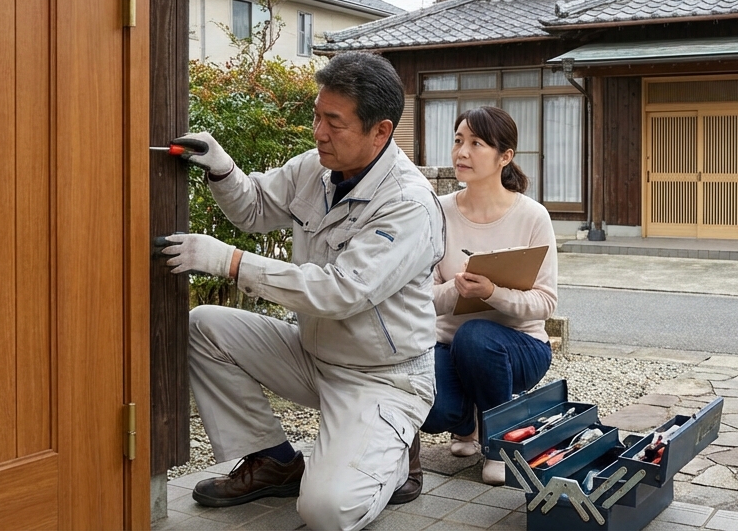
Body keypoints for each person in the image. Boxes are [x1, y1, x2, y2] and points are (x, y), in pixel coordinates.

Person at [159, 52, 443, 531]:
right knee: (204, 326)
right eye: (317, 115)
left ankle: (392, 456)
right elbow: (252, 211)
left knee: (326, 512)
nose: (318, 132)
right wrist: (222, 169)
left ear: (380, 131)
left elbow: (342, 292)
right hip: (313, 353)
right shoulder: (314, 168)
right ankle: (273, 460)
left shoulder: (408, 205)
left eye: (334, 121)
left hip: (381, 377)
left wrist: (229, 261)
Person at [416, 106, 558, 487]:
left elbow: (545, 302)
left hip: (520, 346)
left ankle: (498, 447)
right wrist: (455, 289)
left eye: (476, 143)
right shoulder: (437, 212)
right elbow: (419, 295)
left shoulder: (532, 216)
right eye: (458, 141)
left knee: (477, 335)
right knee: (431, 411)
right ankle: (468, 424)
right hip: (447, 344)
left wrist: (493, 293)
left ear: (505, 156)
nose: (462, 152)